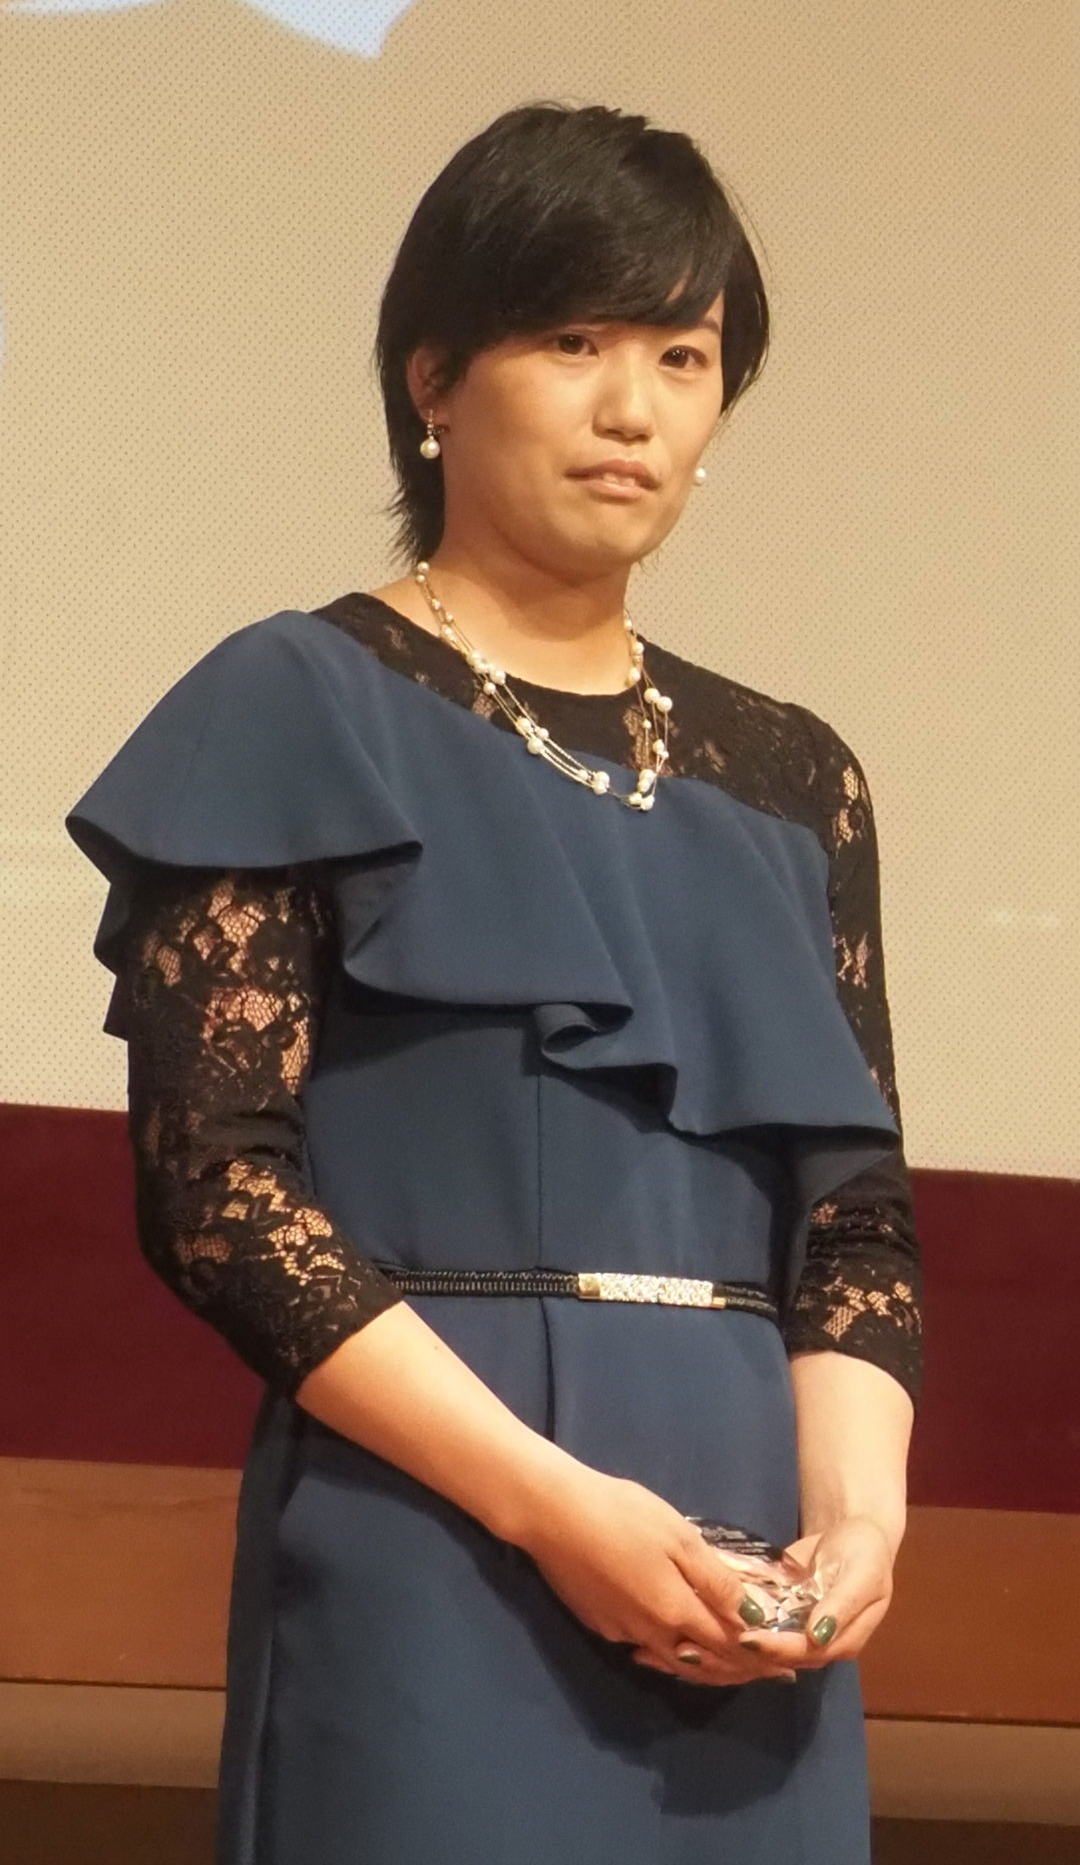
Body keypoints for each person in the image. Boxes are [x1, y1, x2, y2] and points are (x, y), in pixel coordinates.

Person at [68, 104, 917, 1862]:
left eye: (684, 357)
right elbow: (217, 1196)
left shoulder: (794, 776)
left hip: (747, 1562)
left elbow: (856, 1224)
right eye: (575, 343)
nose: (633, 410)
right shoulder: (297, 700)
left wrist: (858, 1524)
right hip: (438, 1519)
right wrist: (549, 1507)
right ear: (435, 378)